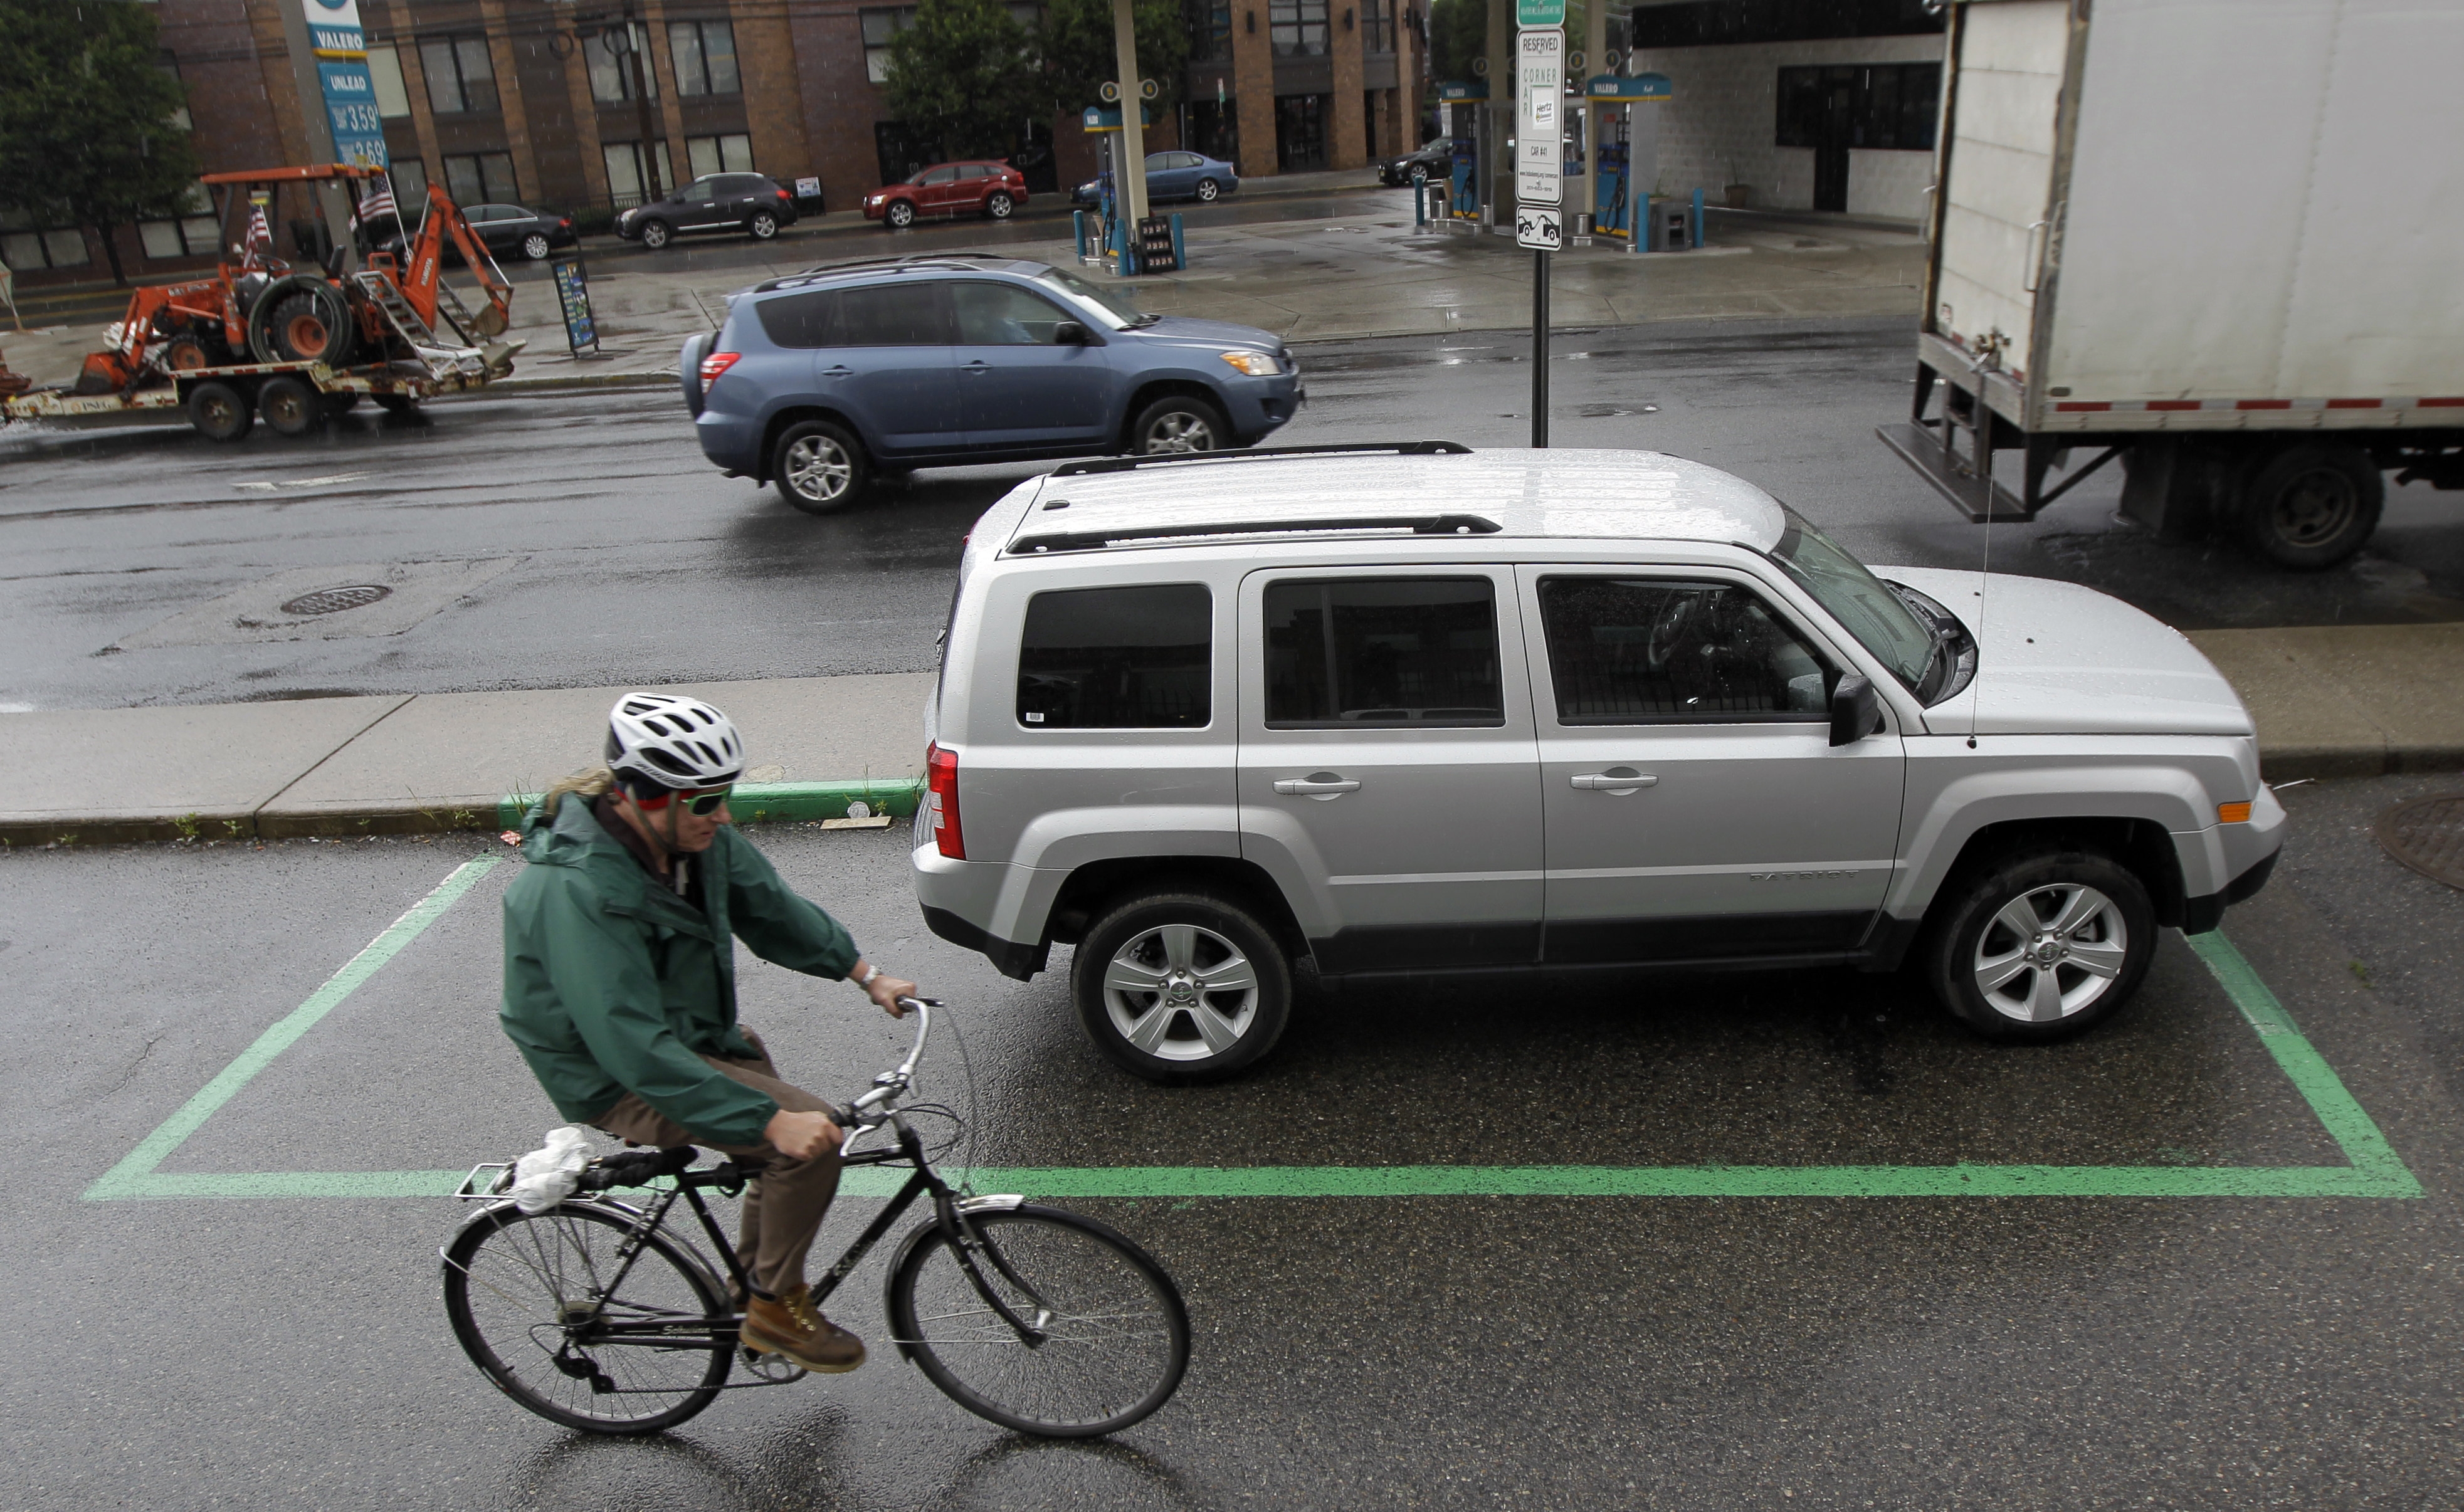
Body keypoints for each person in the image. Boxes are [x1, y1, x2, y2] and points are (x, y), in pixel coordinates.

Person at [498, 692, 917, 1373]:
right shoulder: (574, 891)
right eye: (703, 801)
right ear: (641, 796)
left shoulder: (696, 842)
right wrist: (769, 1120)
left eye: (723, 795)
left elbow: (772, 909)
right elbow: (627, 1042)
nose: (722, 815)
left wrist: (864, 973)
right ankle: (775, 1307)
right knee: (807, 1140)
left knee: (785, 1131)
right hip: (611, 1071)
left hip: (684, 1034)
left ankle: (753, 1288)